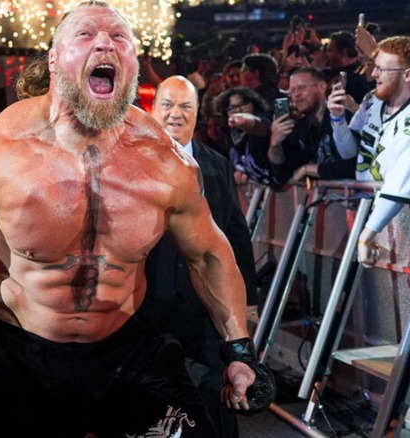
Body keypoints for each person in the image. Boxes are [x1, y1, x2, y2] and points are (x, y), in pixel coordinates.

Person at [0, 1, 274, 436]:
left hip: (127, 353)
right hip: (20, 358)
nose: (105, 43)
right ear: (55, 58)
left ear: (134, 64)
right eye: (85, 35)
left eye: (120, 38)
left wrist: (240, 352)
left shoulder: (165, 162)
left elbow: (210, 255)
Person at [142, 75, 259, 438]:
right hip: (147, 307)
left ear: (198, 112)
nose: (176, 114)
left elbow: (236, 236)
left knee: (213, 403)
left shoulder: (216, 164)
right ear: (153, 109)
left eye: (186, 107)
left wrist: (248, 303)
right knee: (152, 409)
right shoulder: (131, 163)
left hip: (206, 307)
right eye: (168, 105)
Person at [327, 36, 410, 267]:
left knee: (409, 294)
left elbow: (401, 182)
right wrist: (337, 118)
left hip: (403, 220)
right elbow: (350, 152)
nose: (374, 75)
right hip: (369, 213)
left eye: (381, 69)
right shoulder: (373, 101)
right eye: (375, 67)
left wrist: (368, 233)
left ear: (408, 75)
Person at [269, 67, 355, 184]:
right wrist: (275, 143)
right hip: (316, 199)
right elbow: (282, 174)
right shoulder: (299, 127)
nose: (296, 95)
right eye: (292, 91)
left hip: (349, 198)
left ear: (321, 87)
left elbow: (353, 165)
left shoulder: (343, 118)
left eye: (301, 88)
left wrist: (307, 169)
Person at [213, 87, 276, 186]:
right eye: (232, 107)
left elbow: (258, 125)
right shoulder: (232, 132)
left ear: (253, 103)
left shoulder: (264, 119)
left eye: (243, 104)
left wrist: (244, 120)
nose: (238, 109)